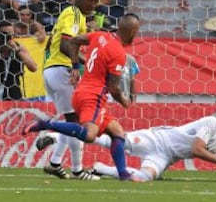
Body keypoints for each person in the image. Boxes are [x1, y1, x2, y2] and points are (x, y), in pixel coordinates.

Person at [22, 13, 141, 182]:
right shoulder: (119, 54)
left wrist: (76, 66)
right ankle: (44, 124)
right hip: (94, 96)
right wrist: (123, 100)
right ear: (133, 31)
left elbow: (74, 41)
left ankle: (123, 173)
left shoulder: (100, 36)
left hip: (82, 91)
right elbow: (114, 88)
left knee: (117, 132)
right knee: (89, 135)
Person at [27, 0, 100, 181]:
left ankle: (55, 163)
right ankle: (76, 169)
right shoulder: (74, 13)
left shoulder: (77, 16)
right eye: (90, 0)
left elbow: (59, 43)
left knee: (72, 120)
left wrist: (88, 62)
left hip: (53, 70)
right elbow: (65, 44)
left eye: (96, 2)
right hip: (63, 69)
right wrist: (77, 67)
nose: (93, 5)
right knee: (77, 123)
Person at [88, 109, 216, 182]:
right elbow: (197, 149)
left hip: (166, 157)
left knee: (143, 178)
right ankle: (69, 134)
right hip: (158, 139)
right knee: (116, 141)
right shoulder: (212, 123)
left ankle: (101, 168)